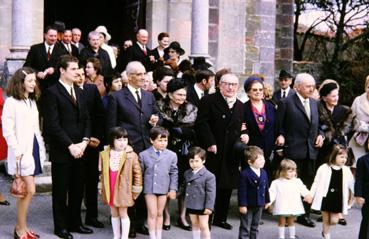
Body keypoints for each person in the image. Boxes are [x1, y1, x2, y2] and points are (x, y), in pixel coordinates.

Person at [106, 61, 160, 237]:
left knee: (144, 186)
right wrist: (117, 146)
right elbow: (112, 125)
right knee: (127, 187)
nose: (143, 77)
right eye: (139, 74)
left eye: (144, 73)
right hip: (128, 148)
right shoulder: (117, 97)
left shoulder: (149, 96)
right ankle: (128, 225)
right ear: (129, 77)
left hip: (147, 147)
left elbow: (156, 115)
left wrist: (155, 120)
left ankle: (141, 221)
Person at [43, 55, 92, 239]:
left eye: (78, 68)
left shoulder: (79, 91)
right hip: (63, 150)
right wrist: (70, 145)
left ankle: (75, 222)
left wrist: (85, 142)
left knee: (78, 188)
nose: (78, 72)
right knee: (61, 190)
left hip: (81, 148)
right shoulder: (52, 92)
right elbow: (52, 125)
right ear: (62, 70)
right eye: (73, 69)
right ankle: (61, 227)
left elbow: (86, 118)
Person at [195, 73, 244, 230]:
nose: (230, 87)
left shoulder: (241, 105)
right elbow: (201, 124)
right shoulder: (208, 101)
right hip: (213, 150)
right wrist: (210, 142)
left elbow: (243, 125)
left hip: (230, 152)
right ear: (219, 85)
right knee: (210, 186)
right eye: (227, 84)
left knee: (226, 187)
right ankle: (206, 219)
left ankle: (221, 218)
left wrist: (245, 135)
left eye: (234, 85)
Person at [2, 67, 46, 239]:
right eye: (30, 81)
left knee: (28, 192)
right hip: (21, 151)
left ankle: (22, 228)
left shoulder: (31, 101)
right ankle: (20, 228)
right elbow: (8, 130)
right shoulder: (11, 102)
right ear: (20, 82)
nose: (33, 84)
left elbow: (36, 128)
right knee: (30, 190)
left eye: (34, 81)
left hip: (34, 148)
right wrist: (17, 150)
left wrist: (40, 147)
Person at [275, 73, 324, 228]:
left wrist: (321, 136)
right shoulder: (286, 103)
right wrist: (281, 136)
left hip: (311, 150)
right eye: (308, 86)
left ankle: (305, 215)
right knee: (292, 184)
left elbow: (321, 125)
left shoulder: (315, 103)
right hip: (294, 150)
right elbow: (279, 126)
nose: (312, 89)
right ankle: (289, 216)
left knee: (308, 183)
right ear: (297, 87)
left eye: (313, 86)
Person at [156, 78, 198, 231]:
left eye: (184, 95)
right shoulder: (160, 106)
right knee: (165, 184)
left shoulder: (191, 108)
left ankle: (182, 216)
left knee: (184, 185)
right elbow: (159, 127)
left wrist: (179, 130)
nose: (182, 98)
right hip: (164, 150)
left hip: (184, 151)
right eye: (179, 94)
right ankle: (166, 217)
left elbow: (193, 130)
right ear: (170, 94)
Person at [75, 67, 106, 228]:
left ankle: (92, 216)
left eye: (82, 75)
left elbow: (100, 115)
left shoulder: (91, 89)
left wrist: (98, 137)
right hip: (76, 144)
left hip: (92, 143)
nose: (80, 78)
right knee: (77, 181)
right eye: (77, 75)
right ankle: (75, 217)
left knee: (92, 180)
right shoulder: (69, 91)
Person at [99, 127, 143, 239]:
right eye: (119, 139)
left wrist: (135, 190)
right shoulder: (105, 154)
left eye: (125, 139)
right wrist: (101, 187)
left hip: (124, 189)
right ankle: (116, 236)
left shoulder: (131, 155)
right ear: (112, 140)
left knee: (123, 213)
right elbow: (102, 173)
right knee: (114, 213)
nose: (122, 143)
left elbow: (138, 174)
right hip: (110, 187)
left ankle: (124, 237)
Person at [139, 127, 178, 239]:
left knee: (160, 213)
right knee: (152, 213)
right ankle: (152, 236)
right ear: (152, 140)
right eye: (160, 140)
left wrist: (173, 189)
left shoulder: (172, 155)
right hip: (149, 188)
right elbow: (140, 173)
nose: (163, 143)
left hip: (163, 187)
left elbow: (174, 173)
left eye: (165, 140)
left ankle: (159, 236)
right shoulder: (143, 155)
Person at [310, 145, 354, 239]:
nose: (344, 159)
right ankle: (326, 235)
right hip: (325, 197)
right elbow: (316, 183)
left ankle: (325, 231)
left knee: (334, 221)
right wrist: (310, 195)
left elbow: (352, 185)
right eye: (341, 157)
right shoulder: (323, 168)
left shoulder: (346, 170)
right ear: (334, 156)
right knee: (326, 220)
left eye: (346, 157)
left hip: (337, 199)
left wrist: (357, 196)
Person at [267, 159, 312, 239]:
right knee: (282, 221)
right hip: (282, 204)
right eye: (290, 171)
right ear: (282, 171)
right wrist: (268, 202)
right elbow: (272, 193)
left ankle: (292, 236)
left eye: (294, 171)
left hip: (293, 204)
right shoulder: (276, 182)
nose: (293, 173)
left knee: (291, 220)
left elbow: (303, 189)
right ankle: (281, 236)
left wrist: (307, 195)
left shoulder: (297, 181)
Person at [242, 76, 276, 174]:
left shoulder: (271, 106)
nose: (258, 92)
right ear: (248, 92)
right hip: (251, 151)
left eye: (260, 89)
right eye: (254, 90)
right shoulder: (243, 108)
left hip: (268, 151)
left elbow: (277, 125)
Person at [238, 146, 269, 239]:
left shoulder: (264, 172)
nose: (263, 161)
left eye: (263, 158)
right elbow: (242, 191)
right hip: (248, 204)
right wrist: (242, 205)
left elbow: (265, 188)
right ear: (250, 162)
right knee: (245, 226)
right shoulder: (244, 174)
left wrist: (267, 201)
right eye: (259, 160)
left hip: (259, 204)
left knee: (255, 226)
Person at [184, 147, 216, 239]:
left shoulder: (209, 176)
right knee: (194, 224)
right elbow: (184, 187)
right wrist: (175, 192)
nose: (194, 164)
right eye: (191, 161)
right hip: (191, 203)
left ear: (203, 161)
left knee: (204, 226)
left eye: (197, 161)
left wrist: (209, 207)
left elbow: (211, 193)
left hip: (203, 205)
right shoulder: (187, 173)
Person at [24, 25, 66, 93]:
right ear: (45, 35)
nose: (53, 38)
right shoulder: (35, 49)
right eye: (51, 36)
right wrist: (36, 73)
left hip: (54, 88)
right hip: (37, 87)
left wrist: (54, 70)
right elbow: (26, 66)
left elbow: (64, 68)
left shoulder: (62, 51)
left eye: (55, 36)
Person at [348, 75, 369, 169]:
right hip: (359, 140)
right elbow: (350, 120)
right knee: (356, 167)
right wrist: (359, 126)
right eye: (368, 87)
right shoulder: (358, 100)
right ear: (365, 87)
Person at [355, 152, 369, 239]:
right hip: (367, 197)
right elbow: (359, 179)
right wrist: (358, 195)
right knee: (367, 222)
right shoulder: (363, 160)